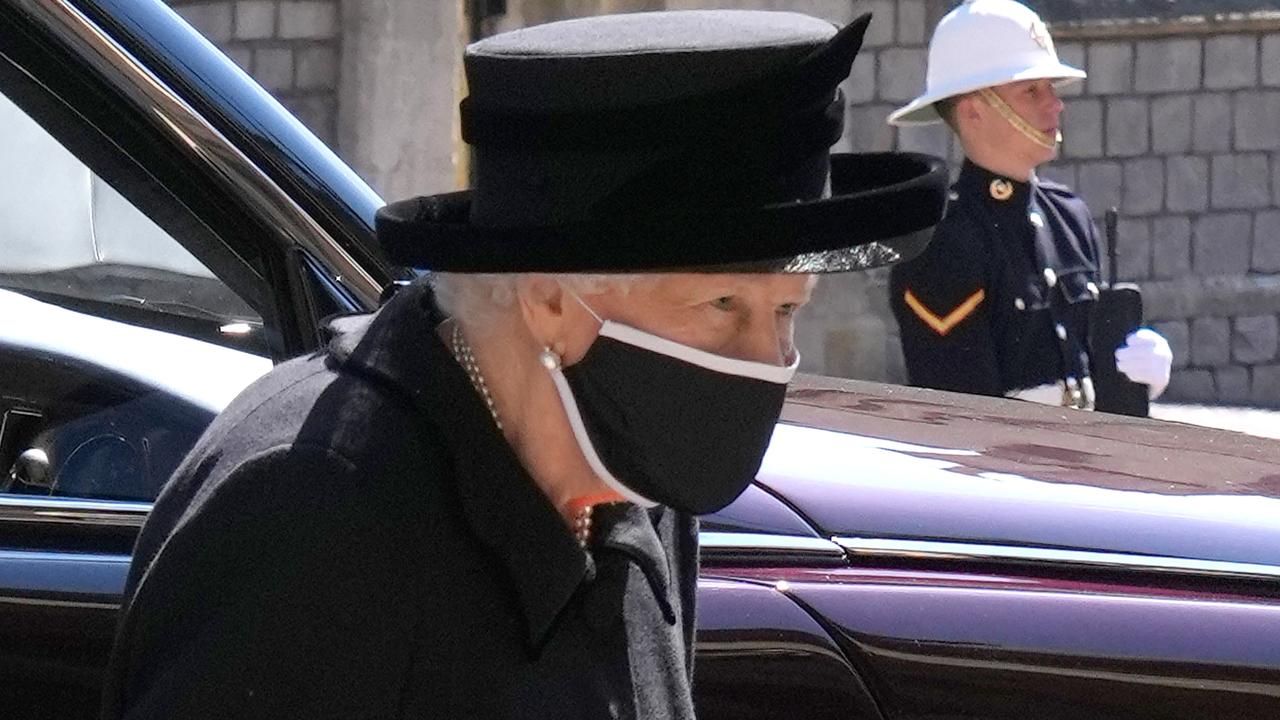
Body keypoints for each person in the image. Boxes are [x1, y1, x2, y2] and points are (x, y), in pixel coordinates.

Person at [101, 10, 948, 719]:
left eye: (789, 311)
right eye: (724, 306)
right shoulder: (314, 509)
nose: (767, 362)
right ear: (550, 300)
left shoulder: (631, 484)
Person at [885, 0, 1172, 409]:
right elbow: (964, 412)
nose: (1055, 104)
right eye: (1031, 90)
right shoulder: (942, 241)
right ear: (974, 112)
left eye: (1052, 88)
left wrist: (1133, 379)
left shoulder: (1068, 216)